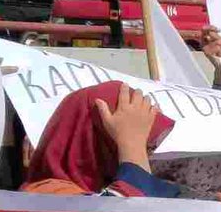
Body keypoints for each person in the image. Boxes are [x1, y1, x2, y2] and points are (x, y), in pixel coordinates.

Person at [20, 82, 181, 199]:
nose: (148, 154)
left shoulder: (92, 188)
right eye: (145, 145)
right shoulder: (46, 194)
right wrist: (132, 148)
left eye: (149, 146)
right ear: (91, 144)